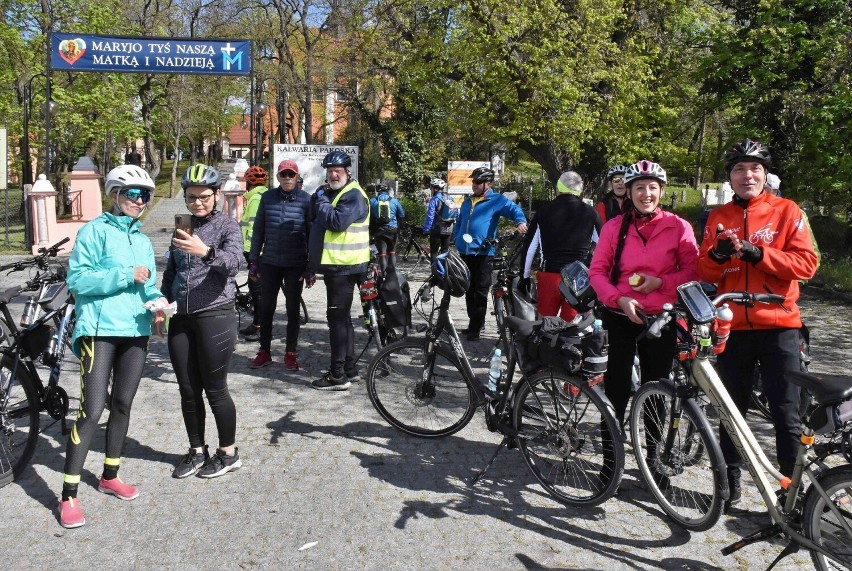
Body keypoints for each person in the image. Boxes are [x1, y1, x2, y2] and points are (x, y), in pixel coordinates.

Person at [697, 138, 818, 511]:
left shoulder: (787, 210)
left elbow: (807, 264)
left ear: (765, 175)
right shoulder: (718, 217)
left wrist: (758, 253)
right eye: (738, 169)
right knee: (730, 409)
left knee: (786, 411)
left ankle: (791, 494)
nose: (746, 175)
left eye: (754, 169)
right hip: (731, 326)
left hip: (780, 325)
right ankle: (729, 481)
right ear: (730, 177)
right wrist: (718, 256)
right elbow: (702, 270)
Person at [58, 165, 167, 529]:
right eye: (134, 193)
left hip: (135, 329)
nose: (141, 201)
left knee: (122, 404)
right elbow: (78, 279)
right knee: (92, 409)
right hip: (99, 329)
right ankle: (69, 495)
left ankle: (109, 476)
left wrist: (158, 306)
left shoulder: (142, 240)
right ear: (116, 193)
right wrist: (124, 275)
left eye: (146, 195)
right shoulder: (94, 231)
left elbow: (149, 286)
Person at [589, 160, 699, 426]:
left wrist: (660, 283)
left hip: (661, 318)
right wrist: (619, 299)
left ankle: (652, 457)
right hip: (621, 314)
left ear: (661, 191)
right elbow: (597, 273)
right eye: (639, 187)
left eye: (652, 187)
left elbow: (693, 272)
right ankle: (610, 459)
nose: (646, 194)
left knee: (656, 390)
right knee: (616, 388)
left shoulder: (678, 227)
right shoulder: (614, 227)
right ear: (628, 192)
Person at [162, 163, 245, 479]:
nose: (197, 203)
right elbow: (173, 271)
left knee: (215, 387)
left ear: (217, 195)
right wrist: (162, 302)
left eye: (204, 197)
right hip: (181, 317)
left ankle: (229, 452)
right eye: (191, 197)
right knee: (187, 388)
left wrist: (205, 251)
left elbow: (236, 263)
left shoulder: (227, 226)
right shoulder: (182, 225)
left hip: (215, 315)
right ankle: (197, 450)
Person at [307, 150, 370, 390]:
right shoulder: (339, 193)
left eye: (338, 171)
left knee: (336, 321)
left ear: (347, 172)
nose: (333, 175)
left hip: (344, 265)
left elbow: (335, 222)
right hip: (341, 264)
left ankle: (337, 375)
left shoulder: (352, 195)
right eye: (330, 171)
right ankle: (350, 369)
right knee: (343, 320)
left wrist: (321, 200)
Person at [247, 160, 313, 371]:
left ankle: (290, 353)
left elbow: (312, 235)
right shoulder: (267, 198)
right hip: (270, 262)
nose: (287, 178)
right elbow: (258, 230)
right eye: (283, 174)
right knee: (267, 308)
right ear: (277, 177)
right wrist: (253, 260)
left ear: (296, 177)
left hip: (295, 263)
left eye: (290, 175)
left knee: (293, 310)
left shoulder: (306, 200)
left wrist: (311, 266)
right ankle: (264, 351)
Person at [453, 166, 527, 341]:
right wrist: (456, 238)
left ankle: (476, 327)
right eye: (473, 181)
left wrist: (520, 221)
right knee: (468, 289)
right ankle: (474, 322)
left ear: (488, 184)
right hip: (465, 252)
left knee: (480, 290)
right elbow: (459, 221)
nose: (474, 185)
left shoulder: (496, 200)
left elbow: (514, 209)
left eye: (478, 182)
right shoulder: (467, 201)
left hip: (483, 252)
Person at [520, 171, 602, 320]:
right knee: (572, 325)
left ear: (558, 188)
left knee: (545, 323)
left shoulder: (543, 211)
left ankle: (544, 343)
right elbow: (603, 245)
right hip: (578, 278)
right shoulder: (591, 213)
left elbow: (530, 247)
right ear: (580, 190)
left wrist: (524, 276)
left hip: (550, 275)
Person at [237, 165, 269, 341]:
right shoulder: (260, 196)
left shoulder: (256, 199)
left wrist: (251, 253)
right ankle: (258, 323)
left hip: (256, 252)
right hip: (256, 251)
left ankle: (260, 326)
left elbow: (256, 228)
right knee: (256, 289)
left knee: (257, 291)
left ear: (249, 184)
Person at [369, 183, 406, 273]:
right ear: (388, 191)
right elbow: (402, 214)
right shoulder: (394, 201)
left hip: (380, 230)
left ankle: (384, 276)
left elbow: (368, 216)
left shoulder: (372, 201)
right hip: (392, 229)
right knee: (392, 252)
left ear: (378, 191)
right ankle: (392, 275)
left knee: (382, 254)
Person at [422, 178, 454, 263]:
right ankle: (445, 274)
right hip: (449, 229)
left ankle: (435, 274)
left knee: (434, 253)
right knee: (444, 253)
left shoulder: (434, 199)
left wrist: (426, 230)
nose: (431, 190)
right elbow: (456, 213)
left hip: (437, 230)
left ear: (435, 188)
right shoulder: (450, 198)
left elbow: (430, 216)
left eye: (431, 188)